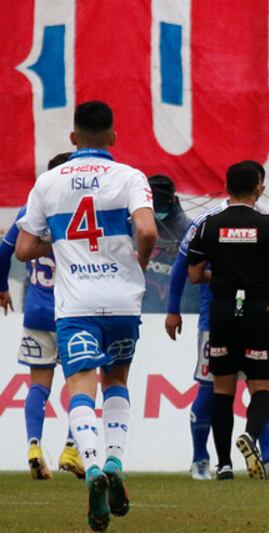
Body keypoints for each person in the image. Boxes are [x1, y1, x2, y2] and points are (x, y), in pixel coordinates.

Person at [15, 100, 157, 531]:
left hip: (75, 305)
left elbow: (22, 248)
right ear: (113, 137)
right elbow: (148, 229)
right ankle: (114, 460)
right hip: (121, 302)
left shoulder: (48, 182)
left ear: (72, 138)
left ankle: (92, 467)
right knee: (116, 381)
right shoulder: (129, 176)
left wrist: (59, 243)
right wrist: (141, 259)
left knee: (80, 385)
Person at [166, 161, 269, 480]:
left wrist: (222, 275)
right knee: (260, 386)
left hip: (220, 314)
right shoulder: (267, 224)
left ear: (226, 185)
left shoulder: (208, 225)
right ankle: (203, 459)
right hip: (255, 313)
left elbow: (191, 272)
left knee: (220, 389)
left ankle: (241, 462)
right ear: (259, 188)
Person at [0, 152, 85, 480]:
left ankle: (34, 446)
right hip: (74, 312)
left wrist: (2, 287)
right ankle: (71, 448)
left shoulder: (31, 210)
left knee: (38, 385)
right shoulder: (79, 212)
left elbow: (4, 251)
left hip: (37, 310)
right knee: (82, 384)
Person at [141, 174, 200, 314]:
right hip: (144, 297)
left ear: (173, 199)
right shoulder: (137, 222)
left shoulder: (187, 228)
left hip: (179, 300)